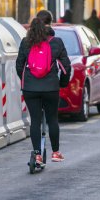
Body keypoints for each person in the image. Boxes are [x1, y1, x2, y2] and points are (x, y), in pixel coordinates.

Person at [16, 10, 71, 165]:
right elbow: (66, 67)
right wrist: (62, 83)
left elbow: (19, 65)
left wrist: (26, 80)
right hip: (50, 87)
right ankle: (55, 152)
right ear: (50, 23)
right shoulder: (56, 42)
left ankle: (37, 155)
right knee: (52, 118)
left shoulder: (26, 42)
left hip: (30, 88)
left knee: (35, 120)